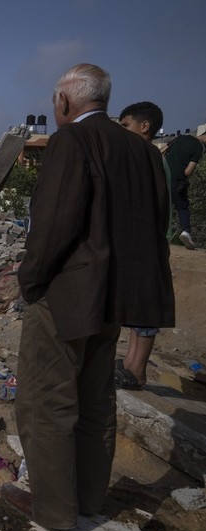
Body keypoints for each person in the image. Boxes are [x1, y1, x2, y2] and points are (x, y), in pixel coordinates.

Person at [4, 64, 174, 531]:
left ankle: (55, 510)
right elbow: (154, 222)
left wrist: (32, 281)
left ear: (64, 102)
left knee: (46, 401)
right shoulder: (140, 149)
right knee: (95, 399)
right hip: (114, 299)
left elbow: (54, 223)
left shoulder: (71, 142)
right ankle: (87, 500)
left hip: (67, 295)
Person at [113, 101, 172, 388]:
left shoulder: (148, 155)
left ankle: (137, 370)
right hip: (146, 240)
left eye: (126, 126)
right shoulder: (148, 154)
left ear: (144, 127)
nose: (123, 132)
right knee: (139, 306)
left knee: (146, 307)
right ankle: (130, 363)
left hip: (147, 241)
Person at [164, 131, 204, 249]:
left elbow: (162, 150)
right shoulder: (200, 148)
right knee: (182, 207)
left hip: (163, 174)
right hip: (177, 181)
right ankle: (186, 231)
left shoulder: (181, 138)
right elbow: (188, 171)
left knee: (162, 205)